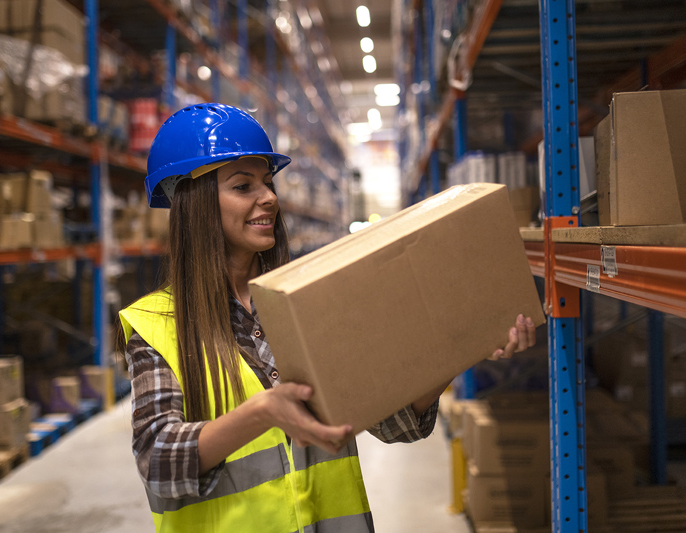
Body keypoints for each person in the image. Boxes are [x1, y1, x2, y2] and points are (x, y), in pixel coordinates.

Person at [118, 103, 536, 532]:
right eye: (243, 186)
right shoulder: (156, 325)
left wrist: (468, 342)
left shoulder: (302, 300)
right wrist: (263, 412)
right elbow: (158, 462)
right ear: (195, 204)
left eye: (267, 182)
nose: (269, 198)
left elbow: (394, 424)